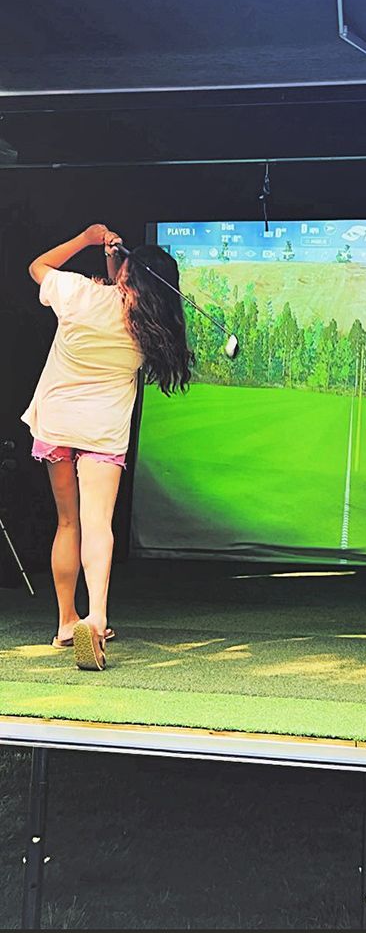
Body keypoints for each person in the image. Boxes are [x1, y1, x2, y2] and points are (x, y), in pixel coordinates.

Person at [21, 224, 192, 670]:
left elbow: (38, 267)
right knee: (99, 524)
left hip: (56, 423)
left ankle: (64, 622)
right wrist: (118, 263)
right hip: (102, 432)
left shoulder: (81, 295)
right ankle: (95, 617)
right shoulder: (150, 327)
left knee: (67, 522)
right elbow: (126, 293)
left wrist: (85, 239)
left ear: (128, 274)